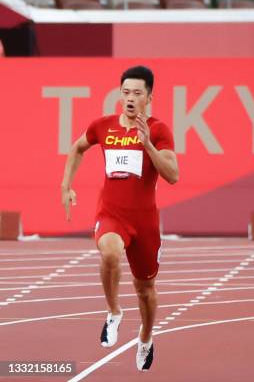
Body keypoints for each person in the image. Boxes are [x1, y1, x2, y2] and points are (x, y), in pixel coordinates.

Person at [60, 65, 179, 371]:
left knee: (145, 291)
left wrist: (148, 143)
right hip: (111, 215)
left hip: (145, 222)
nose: (129, 98)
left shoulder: (160, 129)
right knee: (109, 252)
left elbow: (173, 176)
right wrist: (66, 185)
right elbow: (76, 149)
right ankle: (114, 312)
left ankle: (146, 337)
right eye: (125, 92)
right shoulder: (103, 126)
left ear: (149, 97)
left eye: (137, 93)